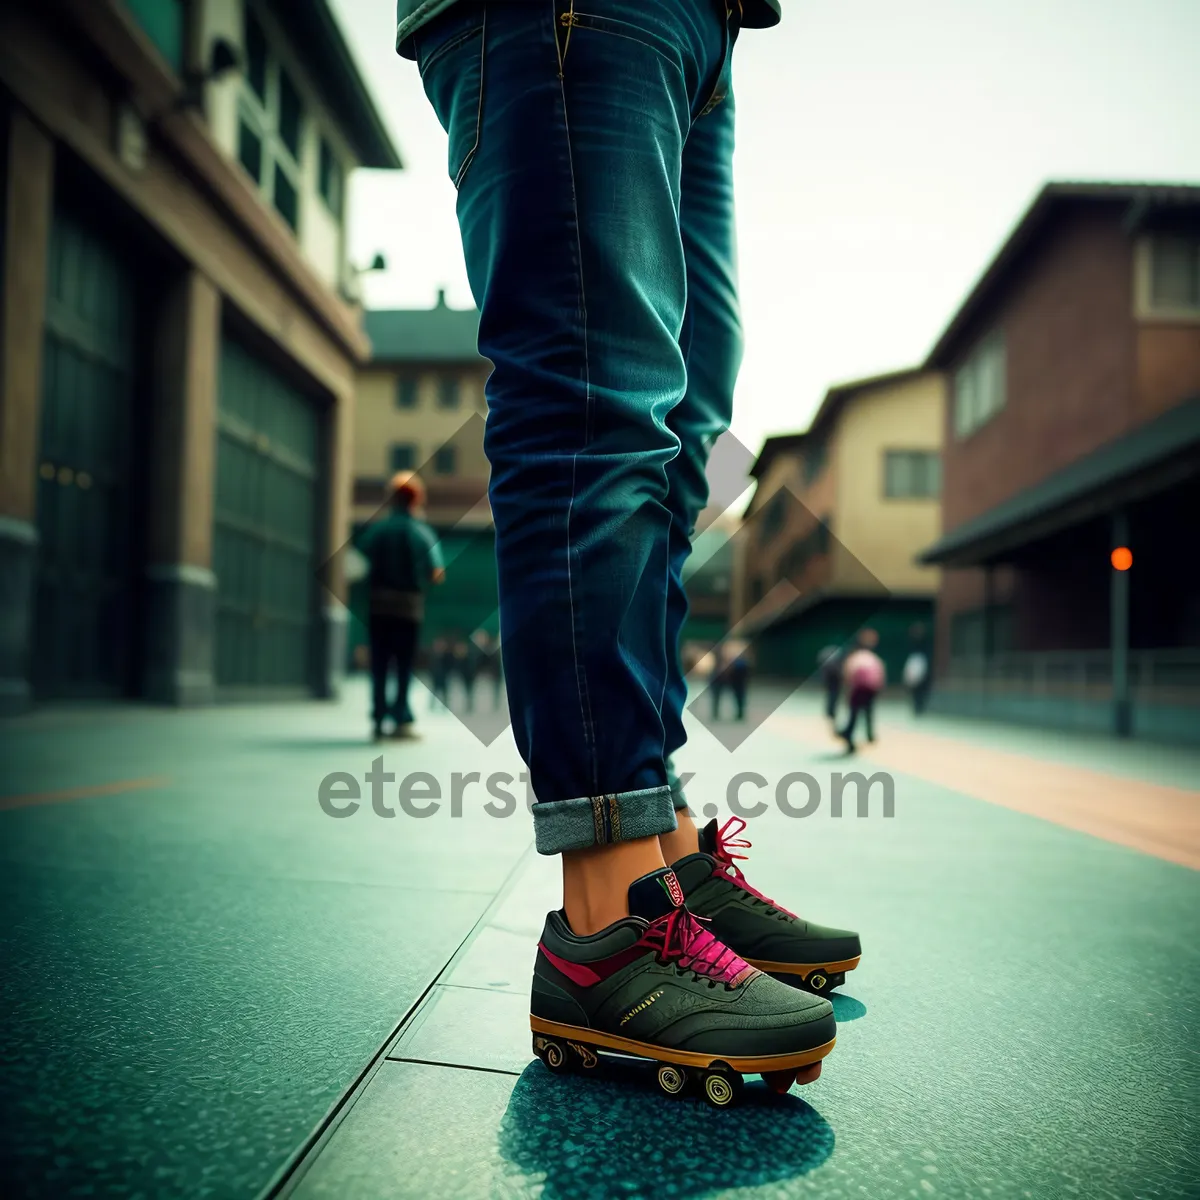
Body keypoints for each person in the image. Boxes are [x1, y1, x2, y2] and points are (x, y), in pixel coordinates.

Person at [400, 0, 860, 1087]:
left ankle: (666, 851)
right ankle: (609, 918)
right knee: (594, 396)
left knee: (682, 425)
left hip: (709, 28)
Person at [352, 471, 445, 741]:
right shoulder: (422, 532)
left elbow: (357, 566)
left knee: (379, 663)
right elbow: (436, 573)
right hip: (408, 608)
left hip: (378, 606)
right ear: (416, 500)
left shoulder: (377, 530)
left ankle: (379, 717)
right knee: (404, 664)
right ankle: (401, 719)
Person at [838, 629, 886, 753]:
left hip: (858, 689)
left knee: (854, 713)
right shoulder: (872, 658)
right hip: (869, 689)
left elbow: (848, 673)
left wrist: (847, 689)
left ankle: (849, 734)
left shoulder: (856, 657)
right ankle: (868, 735)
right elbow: (879, 674)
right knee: (868, 711)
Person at [903, 622, 932, 715]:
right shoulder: (912, 643)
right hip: (916, 664)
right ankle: (917, 707)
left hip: (921, 665)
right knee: (915, 690)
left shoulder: (925, 643)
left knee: (921, 691)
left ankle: (920, 707)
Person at [817, 644, 844, 725]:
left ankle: (830, 712)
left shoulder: (829, 662)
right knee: (833, 697)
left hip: (832, 683)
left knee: (831, 697)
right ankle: (831, 713)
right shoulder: (835, 662)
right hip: (834, 683)